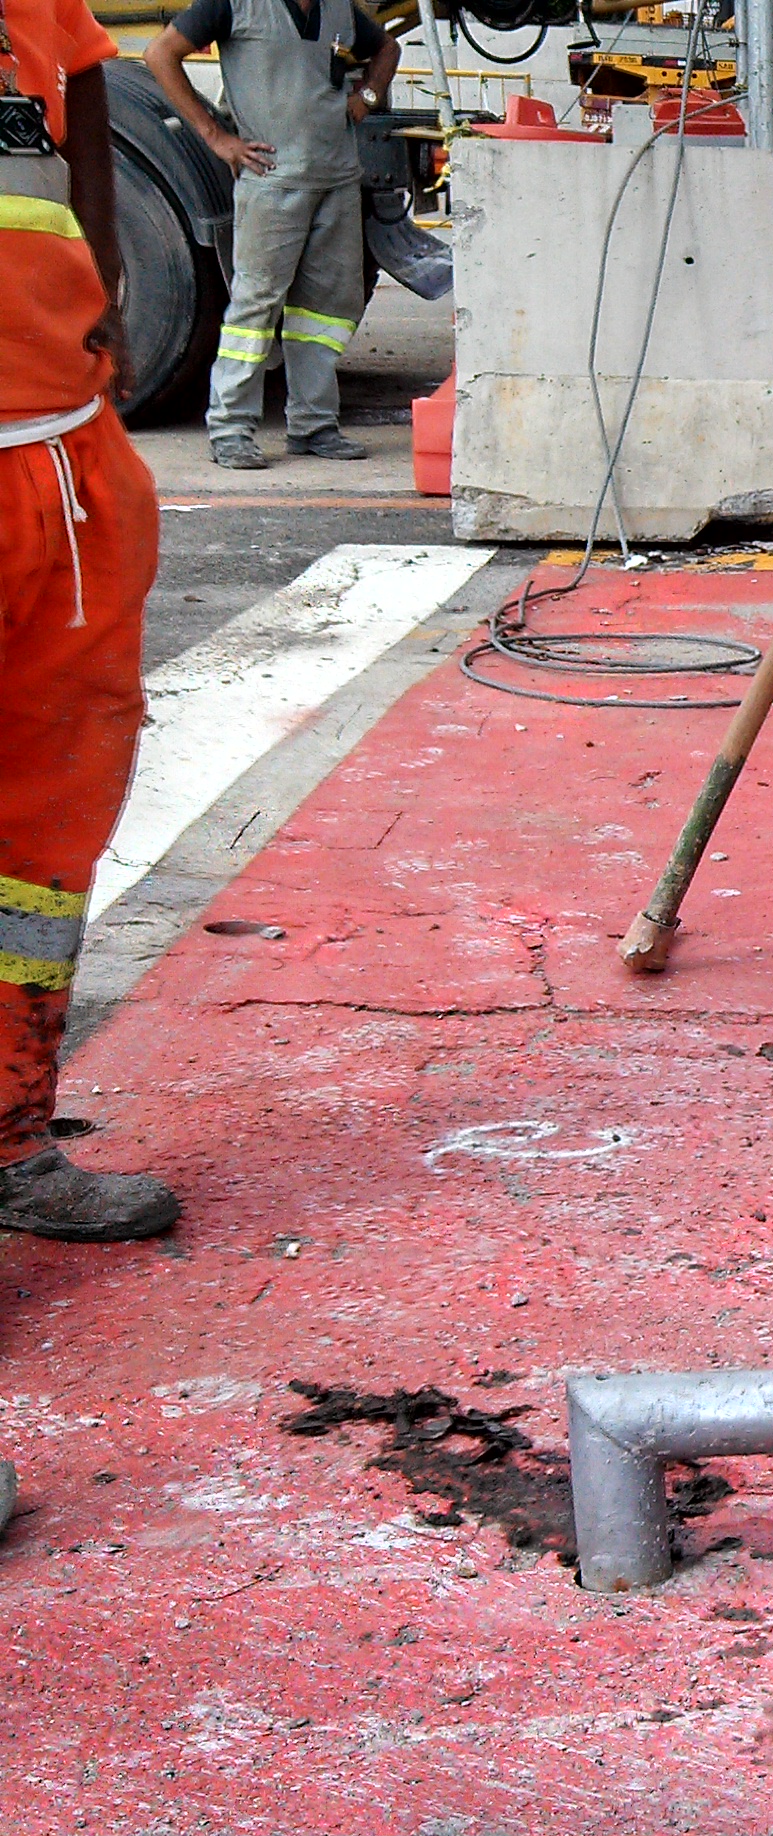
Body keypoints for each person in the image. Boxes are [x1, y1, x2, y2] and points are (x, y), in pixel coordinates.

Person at [3, 0, 181, 1249]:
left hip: (61, 463)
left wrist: (105, 292)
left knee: (43, 844)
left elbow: (83, 135)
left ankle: (12, 1138)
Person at [143, 0, 394, 471]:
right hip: (272, 182)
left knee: (322, 313)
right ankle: (231, 429)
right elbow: (160, 54)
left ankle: (315, 424)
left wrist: (369, 97)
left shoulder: (339, 8)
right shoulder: (235, 4)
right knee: (254, 309)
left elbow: (387, 49)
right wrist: (216, 137)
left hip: (336, 179)